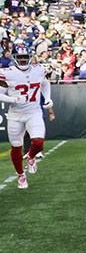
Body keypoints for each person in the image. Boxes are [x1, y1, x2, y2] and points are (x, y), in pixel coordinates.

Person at [0, 45, 53, 190]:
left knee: (38, 143)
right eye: (20, 57)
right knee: (16, 148)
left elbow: (44, 83)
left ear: (30, 57)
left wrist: (47, 97)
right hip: (15, 115)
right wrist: (13, 100)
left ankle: (30, 157)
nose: (23, 60)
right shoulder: (6, 73)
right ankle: (21, 175)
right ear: (14, 58)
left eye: (25, 57)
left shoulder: (39, 69)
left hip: (34, 112)